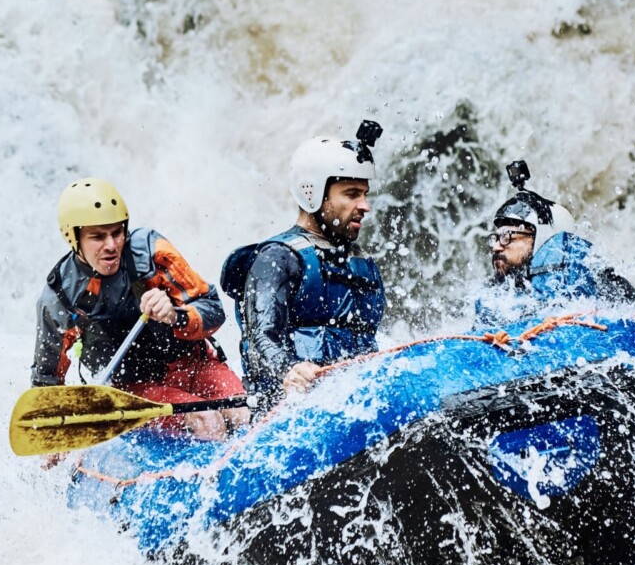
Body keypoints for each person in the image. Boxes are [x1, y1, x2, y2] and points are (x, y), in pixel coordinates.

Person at [32, 178, 246, 438]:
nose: (111, 245)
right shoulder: (61, 296)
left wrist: (175, 316)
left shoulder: (151, 253)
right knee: (208, 421)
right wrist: (50, 433)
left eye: (116, 232)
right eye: (98, 236)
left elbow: (213, 309)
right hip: (137, 392)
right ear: (73, 238)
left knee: (243, 413)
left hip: (194, 366)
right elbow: (48, 376)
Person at [222, 121, 386, 409]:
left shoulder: (360, 263)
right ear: (312, 193)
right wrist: (289, 369)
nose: (365, 206)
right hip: (289, 410)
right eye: (351, 194)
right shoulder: (277, 258)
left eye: (365, 194)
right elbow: (262, 337)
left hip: (353, 399)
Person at [475, 160, 635, 325]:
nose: (496, 246)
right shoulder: (500, 295)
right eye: (496, 238)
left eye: (506, 236)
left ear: (540, 236)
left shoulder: (581, 274)